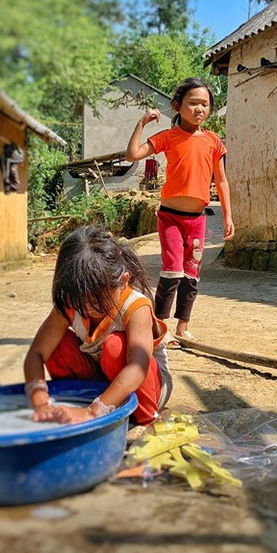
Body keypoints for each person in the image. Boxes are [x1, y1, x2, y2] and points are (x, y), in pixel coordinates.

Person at [23, 225, 172, 427]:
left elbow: (138, 368)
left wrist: (94, 412)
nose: (86, 309)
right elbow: (36, 354)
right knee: (58, 347)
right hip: (102, 384)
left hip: (149, 388)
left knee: (114, 346)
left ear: (123, 281)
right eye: (79, 301)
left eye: (96, 301)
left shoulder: (136, 307)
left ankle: (143, 422)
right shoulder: (71, 302)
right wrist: (41, 404)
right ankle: (95, 401)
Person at [125, 77, 234, 344]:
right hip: (171, 217)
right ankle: (160, 328)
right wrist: (141, 123)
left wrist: (229, 215)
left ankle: (183, 327)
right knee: (172, 271)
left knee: (191, 274)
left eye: (205, 104)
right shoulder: (167, 137)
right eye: (193, 103)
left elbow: (221, 180)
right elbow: (132, 155)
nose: (199, 109)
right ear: (177, 106)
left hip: (197, 220)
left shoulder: (213, 142)